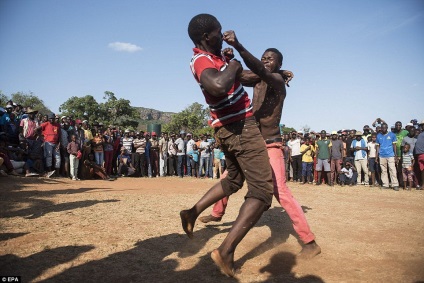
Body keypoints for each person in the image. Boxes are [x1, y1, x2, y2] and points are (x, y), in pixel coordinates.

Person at [181, 14, 275, 277]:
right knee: (261, 191)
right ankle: (225, 251)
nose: (222, 35)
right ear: (206, 36)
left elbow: (246, 78)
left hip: (229, 129)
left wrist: (271, 72)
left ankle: (192, 213)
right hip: (240, 128)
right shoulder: (202, 60)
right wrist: (231, 65)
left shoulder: (218, 59)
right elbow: (219, 85)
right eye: (218, 31)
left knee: (233, 180)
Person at [376, 123, 399, 190]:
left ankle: (395, 184)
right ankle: (385, 184)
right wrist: (377, 156)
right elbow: (377, 147)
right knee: (383, 171)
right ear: (381, 128)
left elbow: (394, 146)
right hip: (382, 155)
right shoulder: (378, 136)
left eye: (385, 128)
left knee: (392, 169)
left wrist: (395, 155)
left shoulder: (392, 135)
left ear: (387, 128)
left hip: (390, 155)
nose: (383, 129)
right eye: (382, 128)